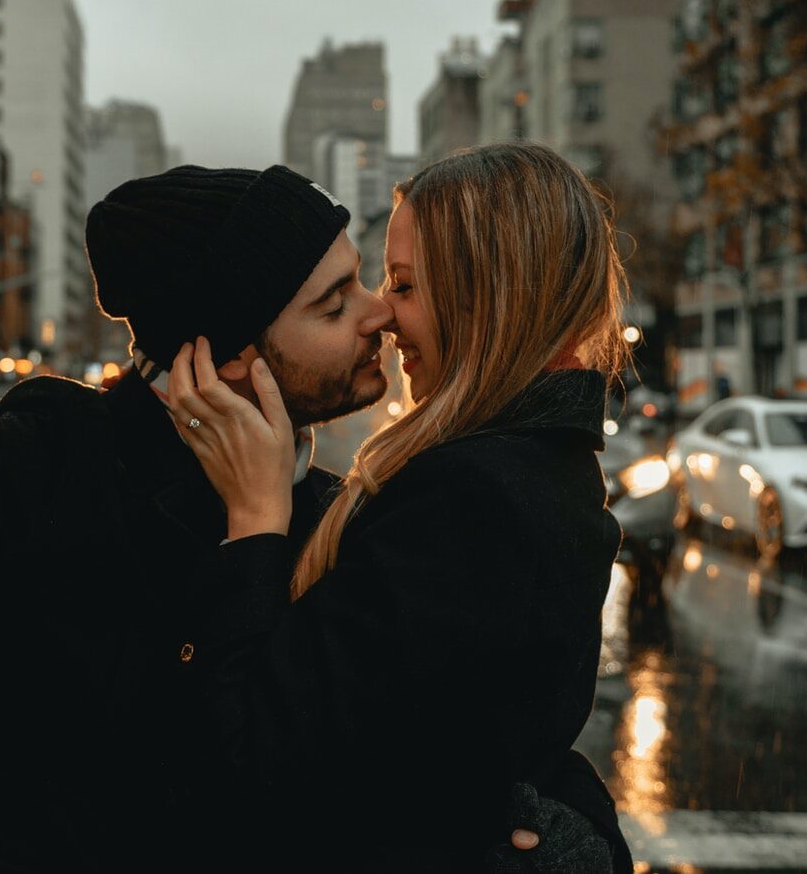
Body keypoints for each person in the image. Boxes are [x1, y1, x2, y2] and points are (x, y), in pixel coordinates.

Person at [0, 45, 625, 871]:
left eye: (370, 282)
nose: (377, 315)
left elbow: (443, 713)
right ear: (230, 356)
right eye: (334, 301)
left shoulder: (333, 511)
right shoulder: (54, 459)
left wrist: (570, 818)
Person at [167, 144, 634, 872]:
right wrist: (578, 811)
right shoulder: (537, 465)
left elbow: (251, 761)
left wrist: (255, 522)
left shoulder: (476, 499)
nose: (383, 313)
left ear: (488, 298)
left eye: (405, 285)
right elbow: (476, 738)